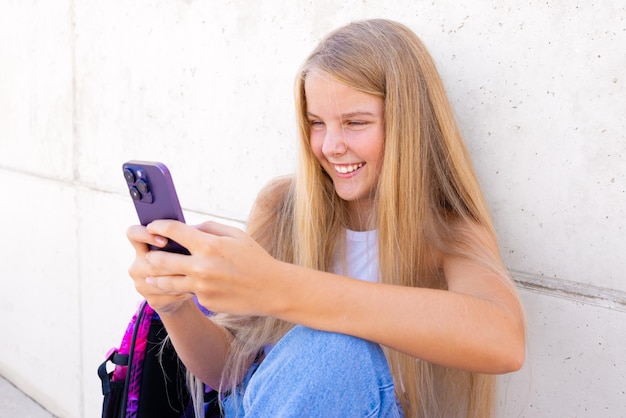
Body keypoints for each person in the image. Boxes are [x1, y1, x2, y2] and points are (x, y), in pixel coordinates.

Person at [127, 19, 526, 418]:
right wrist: (175, 305)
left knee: (337, 350)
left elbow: (503, 342)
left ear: (408, 124)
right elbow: (228, 372)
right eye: (317, 123)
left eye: (355, 123)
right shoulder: (283, 206)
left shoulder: (447, 234)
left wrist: (276, 286)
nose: (331, 146)